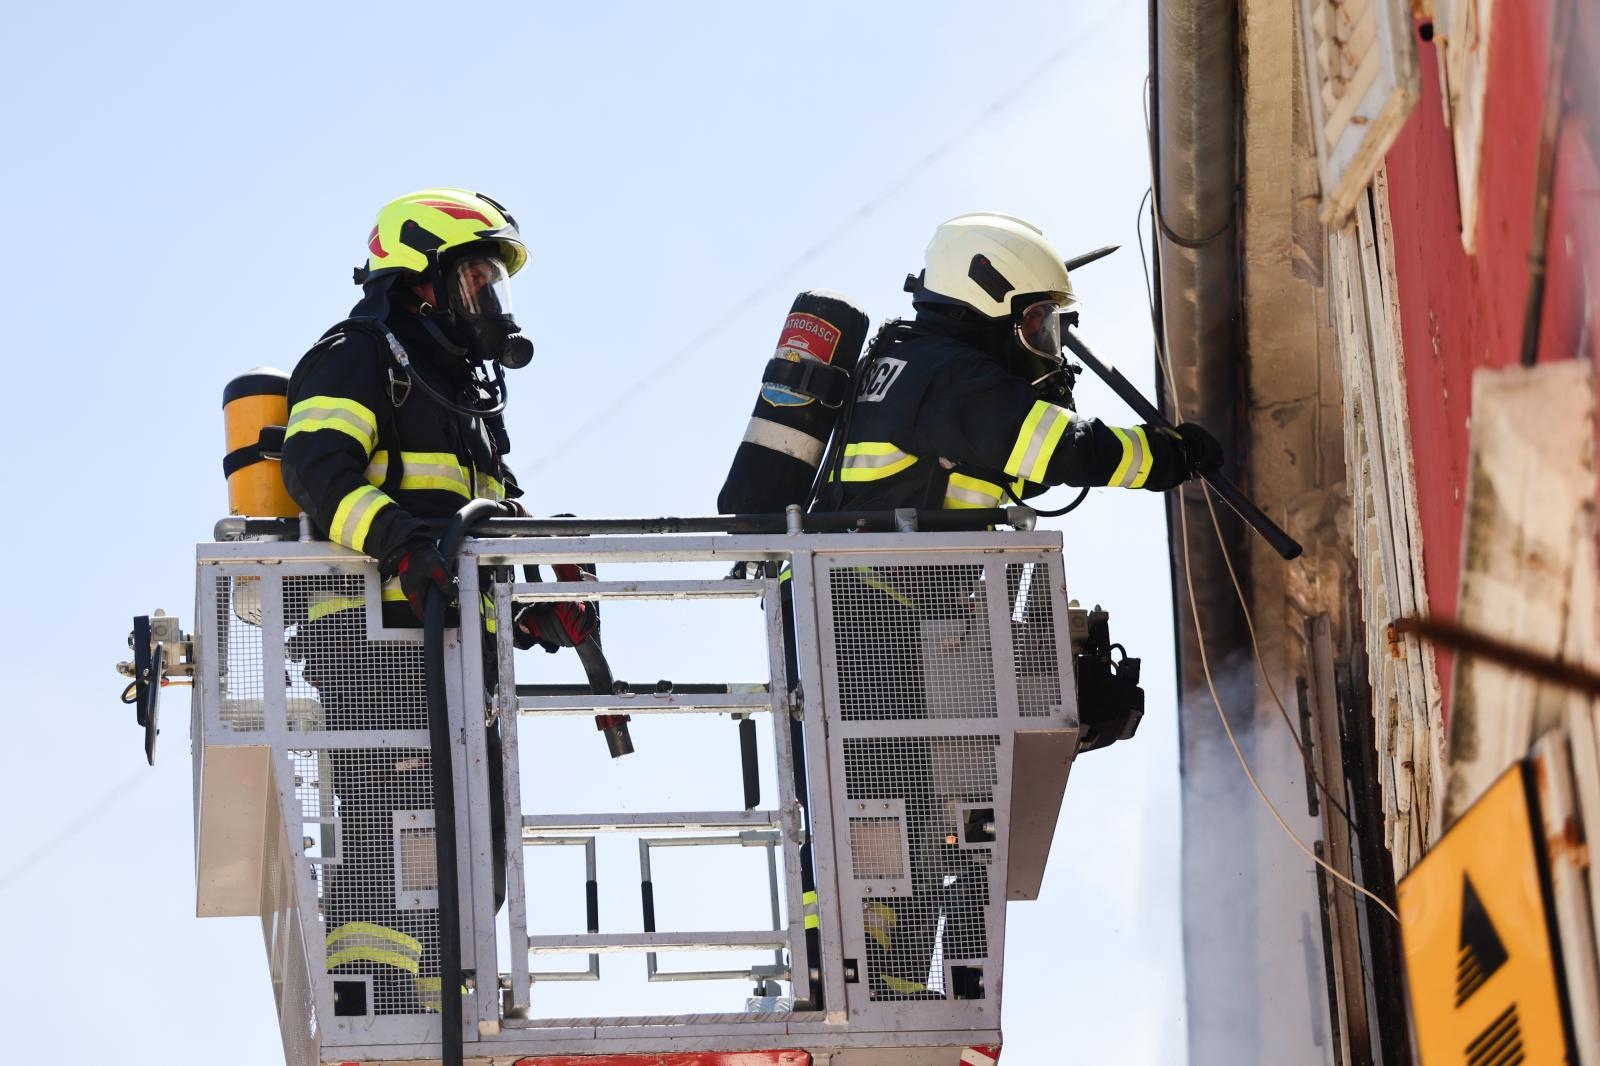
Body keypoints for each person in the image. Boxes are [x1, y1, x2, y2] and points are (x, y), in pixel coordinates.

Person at [815, 213, 1222, 1002]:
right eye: (1036, 320)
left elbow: (1016, 469)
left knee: (913, 806)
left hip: (879, 614)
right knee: (889, 804)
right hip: (879, 617)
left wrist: (1041, 386)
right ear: (986, 293)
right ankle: (857, 973)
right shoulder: (948, 374)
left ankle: (889, 979)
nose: (1046, 337)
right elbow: (1062, 452)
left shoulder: (920, 365)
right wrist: (1170, 453)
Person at [279, 188, 594, 1017]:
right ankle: (376, 995)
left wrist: (532, 609)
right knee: (394, 817)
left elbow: (484, 528)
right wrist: (399, 543)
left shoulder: (462, 397)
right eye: (478, 278)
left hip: (455, 646)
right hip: (373, 635)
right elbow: (315, 470)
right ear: (422, 279)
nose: (491, 300)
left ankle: (440, 988)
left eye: (497, 282)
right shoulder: (356, 355)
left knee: (473, 833)